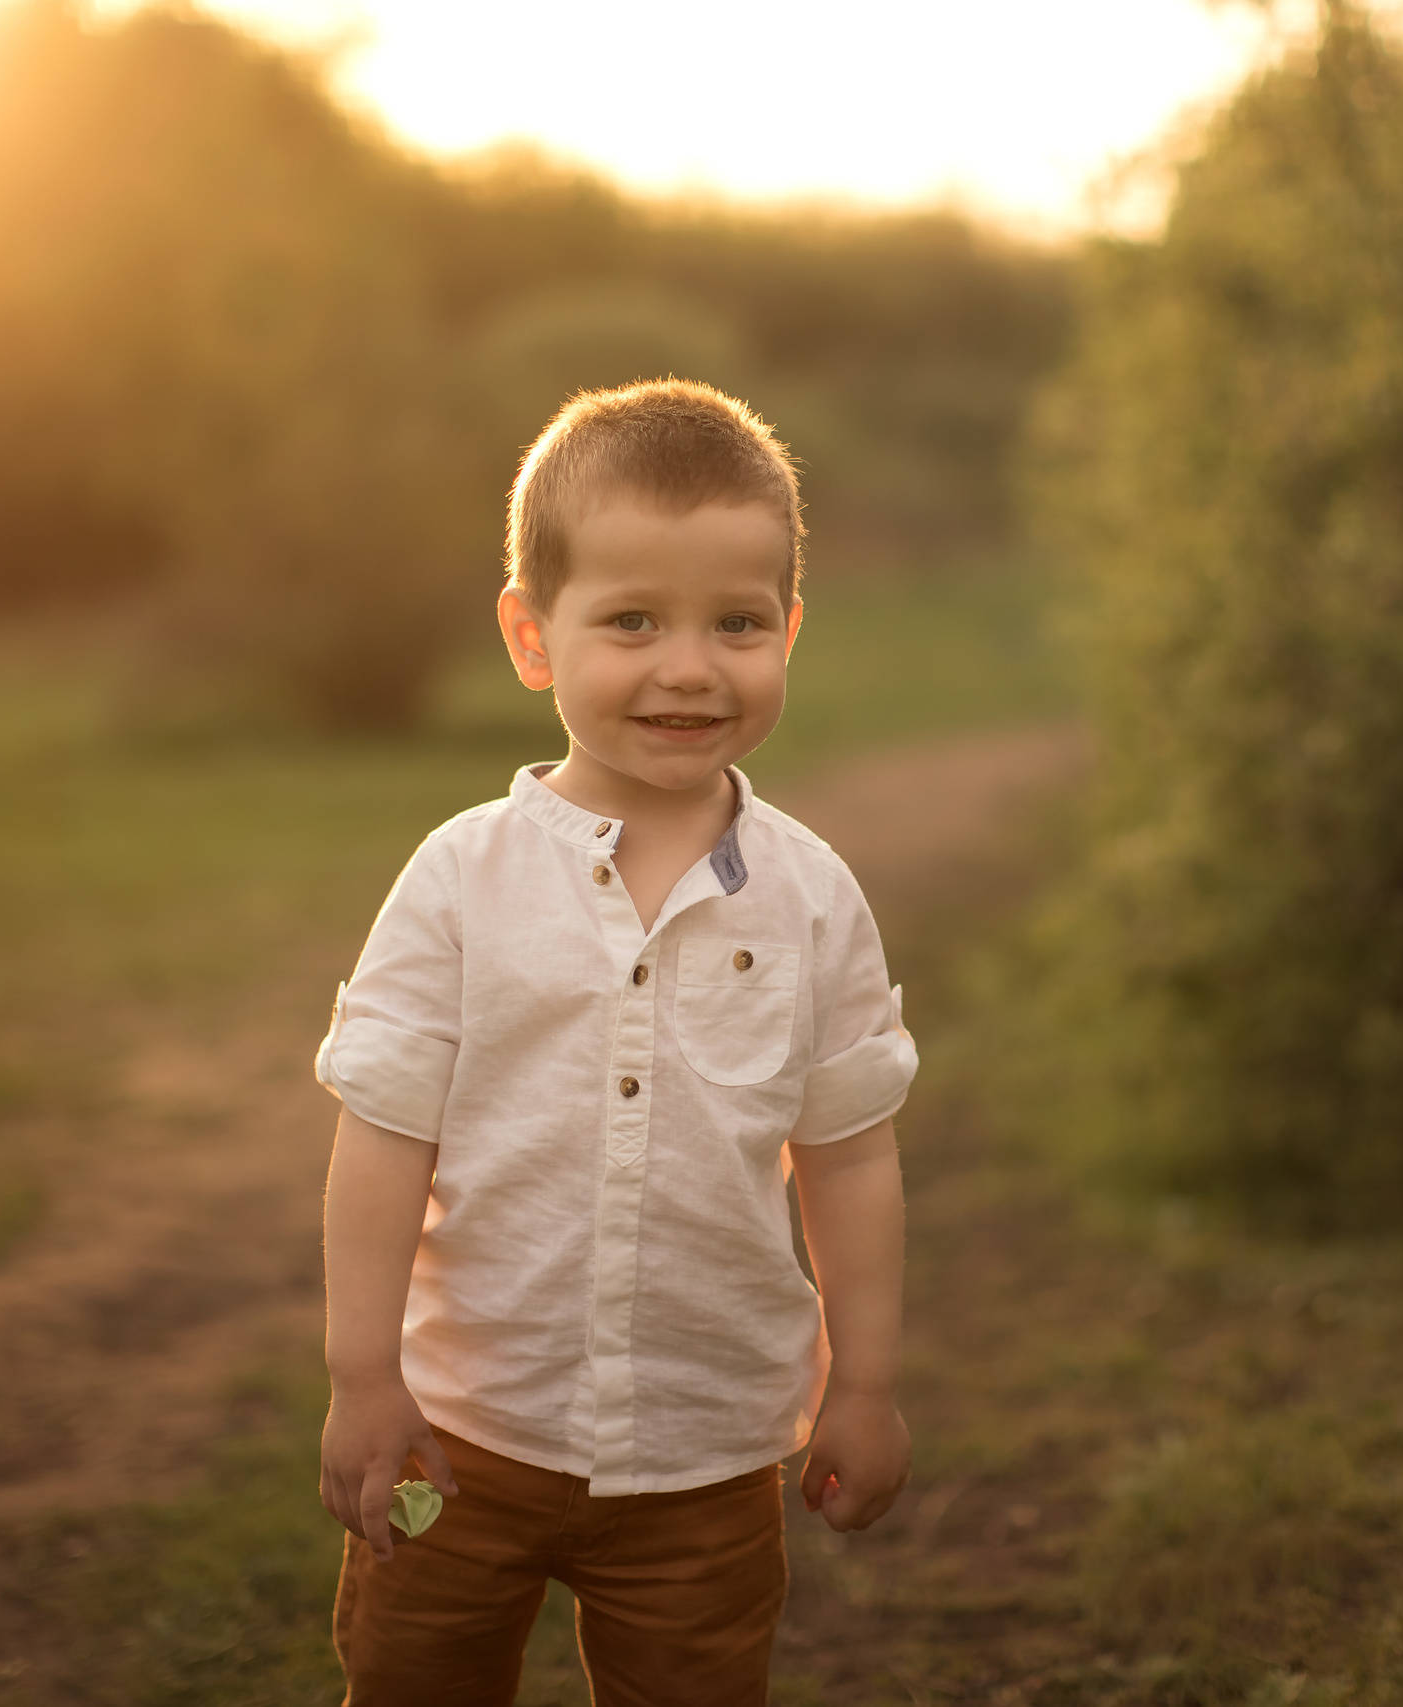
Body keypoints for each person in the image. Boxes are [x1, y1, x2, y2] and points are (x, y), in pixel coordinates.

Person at [312, 378, 918, 1705]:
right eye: (633, 620)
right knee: (412, 1684)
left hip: (705, 1458)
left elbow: (852, 1156)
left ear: (789, 634)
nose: (691, 664)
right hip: (460, 1440)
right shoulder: (461, 879)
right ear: (533, 638)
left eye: (736, 623)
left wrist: (862, 1384)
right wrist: (365, 1377)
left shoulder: (814, 899)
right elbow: (386, 1131)